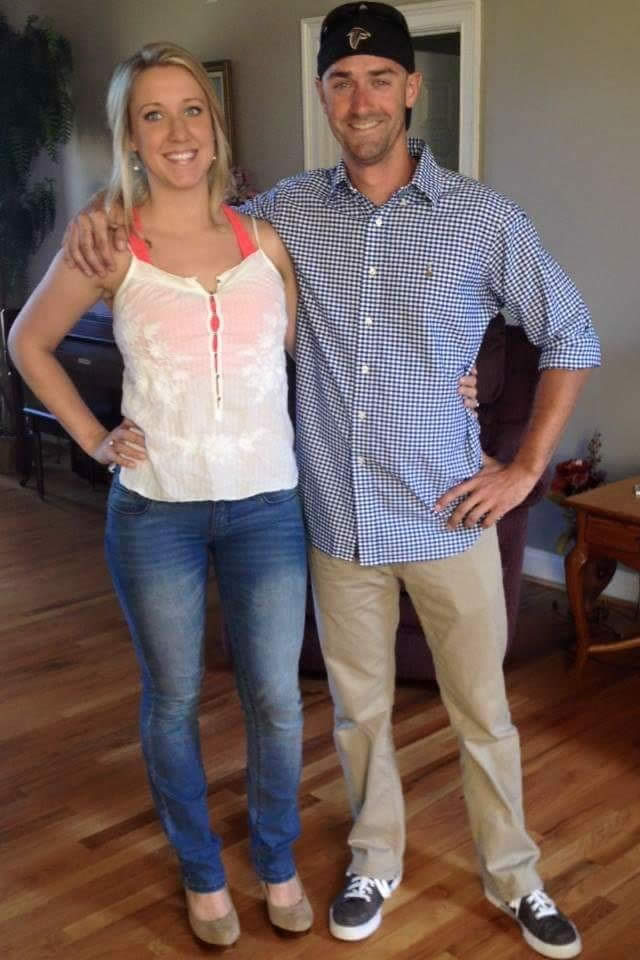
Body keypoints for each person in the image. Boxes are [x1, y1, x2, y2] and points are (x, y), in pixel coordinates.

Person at [62, 5, 598, 957]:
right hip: (336, 519)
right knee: (358, 716)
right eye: (342, 82)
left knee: (483, 715)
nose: (362, 99)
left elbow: (572, 335)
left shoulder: (481, 217)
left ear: (411, 88)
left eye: (380, 78)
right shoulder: (280, 218)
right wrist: (103, 223)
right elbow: (190, 240)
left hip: (449, 517)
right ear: (323, 95)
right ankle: (373, 858)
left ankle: (516, 876)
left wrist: (522, 470)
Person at [9, 42, 316, 948]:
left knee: (277, 700)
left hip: (267, 505)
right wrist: (95, 439)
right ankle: (201, 872)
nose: (179, 130)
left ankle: (277, 858)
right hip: (156, 509)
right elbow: (28, 341)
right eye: (154, 114)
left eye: (192, 109)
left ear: (214, 125)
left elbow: (305, 361)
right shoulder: (110, 242)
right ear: (131, 137)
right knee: (173, 698)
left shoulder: (265, 241)